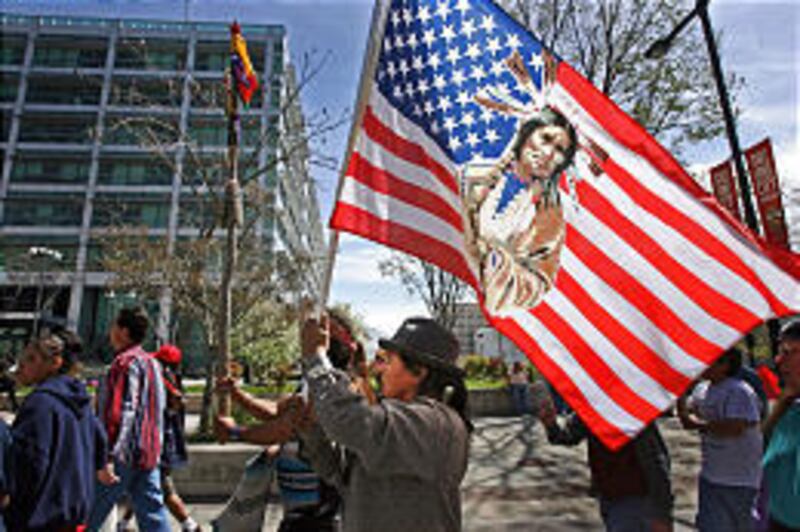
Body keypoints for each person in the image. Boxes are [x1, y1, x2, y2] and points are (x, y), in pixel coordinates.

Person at [298, 315, 471, 532]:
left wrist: (316, 359)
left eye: (387, 361)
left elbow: (345, 420)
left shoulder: (438, 424)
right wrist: (311, 431)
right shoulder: (397, 419)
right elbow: (339, 475)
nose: (378, 370)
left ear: (418, 371)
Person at [214, 311, 365, 531]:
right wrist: (237, 395)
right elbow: (277, 410)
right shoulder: (316, 380)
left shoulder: (334, 387)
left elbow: (285, 428)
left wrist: (236, 432)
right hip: (299, 512)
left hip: (318, 515)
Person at [462, 106, 578, 314]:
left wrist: (497, 264)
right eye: (546, 138)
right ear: (526, 133)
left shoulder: (549, 215)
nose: (549, 153)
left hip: (490, 306)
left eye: (560, 150)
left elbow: (540, 282)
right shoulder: (474, 176)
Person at [7, 329, 112, 531]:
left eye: (31, 359)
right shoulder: (80, 401)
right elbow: (100, 440)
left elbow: (29, 465)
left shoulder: (40, 403)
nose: (22, 365)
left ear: (54, 363)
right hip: (74, 516)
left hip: (41, 519)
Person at [87, 307, 170, 532]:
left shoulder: (123, 364)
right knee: (154, 514)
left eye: (114, 326)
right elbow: (159, 409)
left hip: (121, 456)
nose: (110, 331)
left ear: (123, 331)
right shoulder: (153, 364)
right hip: (149, 453)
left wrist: (107, 455)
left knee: (89, 513)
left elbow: (120, 413)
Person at [538, 395, 673, 532]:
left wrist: (662, 514)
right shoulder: (591, 409)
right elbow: (570, 435)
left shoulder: (633, 411)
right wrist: (551, 425)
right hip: (608, 496)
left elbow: (657, 462)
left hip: (635, 498)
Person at [677, 347, 763, 532]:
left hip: (740, 479)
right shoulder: (702, 389)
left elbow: (735, 427)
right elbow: (689, 411)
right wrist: (679, 393)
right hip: (711, 476)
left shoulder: (739, 391)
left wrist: (697, 425)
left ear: (725, 365)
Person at [117, 344, 200, 532]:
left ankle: (191, 525)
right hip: (161, 445)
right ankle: (122, 524)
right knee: (142, 487)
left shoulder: (164, 382)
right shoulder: (171, 380)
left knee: (162, 488)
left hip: (157, 446)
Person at [761, 320, 800, 531]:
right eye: (779, 351)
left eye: (789, 351)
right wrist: (783, 402)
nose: (778, 360)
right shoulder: (790, 409)